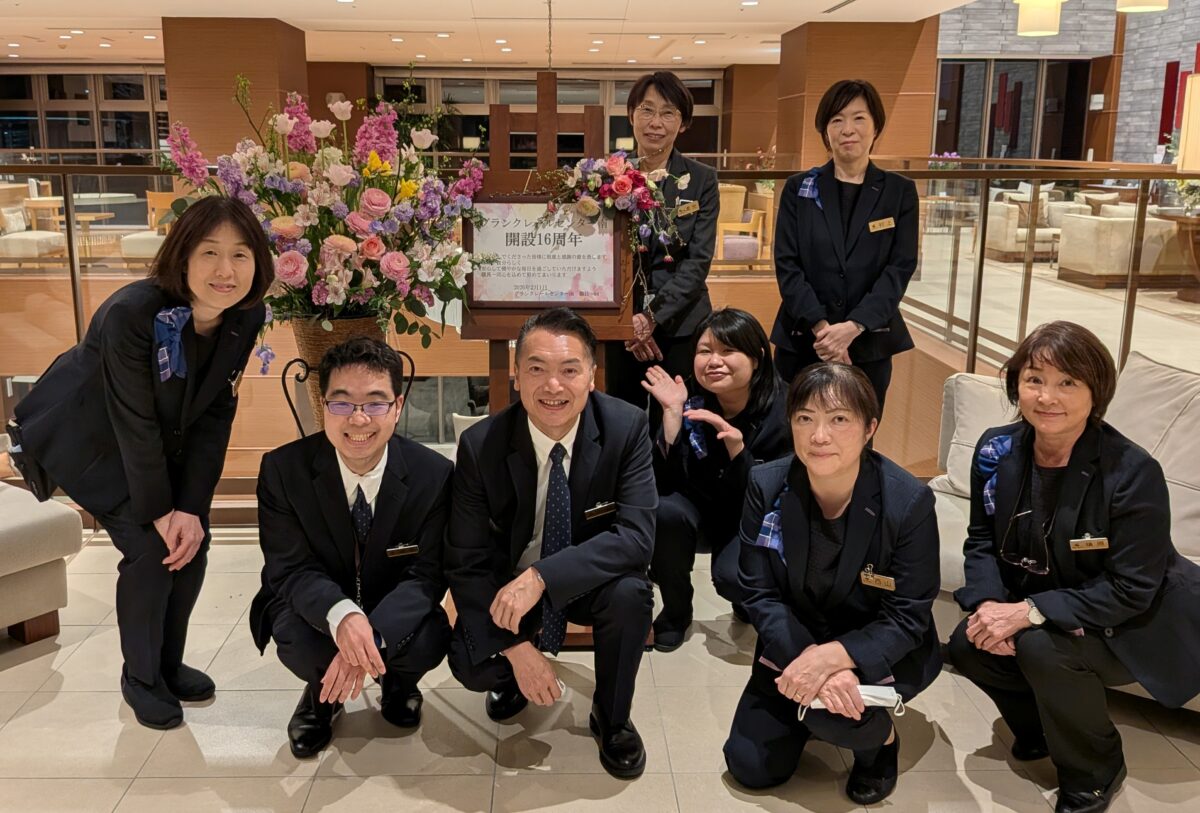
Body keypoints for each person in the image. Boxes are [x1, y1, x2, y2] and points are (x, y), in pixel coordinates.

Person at [7, 196, 271, 729]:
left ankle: (168, 666)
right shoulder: (132, 313)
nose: (226, 270)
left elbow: (217, 410)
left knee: (192, 545)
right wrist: (160, 511)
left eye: (241, 254)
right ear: (182, 256)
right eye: (210, 252)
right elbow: (133, 420)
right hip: (94, 440)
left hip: (160, 441)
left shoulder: (246, 315)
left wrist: (191, 507)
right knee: (152, 549)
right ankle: (141, 677)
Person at [948, 321, 1200, 813]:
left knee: (1040, 646)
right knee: (968, 642)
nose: (1047, 397)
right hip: (1053, 601)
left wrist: (1028, 612)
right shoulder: (997, 451)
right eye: (1034, 379)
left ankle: (1095, 769)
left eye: (1068, 382)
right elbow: (982, 540)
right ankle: (1041, 731)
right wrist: (989, 606)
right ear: (1016, 384)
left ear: (1095, 392)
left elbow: (1132, 588)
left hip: (1133, 622)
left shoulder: (1131, 472)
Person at [445, 307, 657, 779]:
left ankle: (613, 717)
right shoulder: (481, 444)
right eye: (537, 369)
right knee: (469, 662)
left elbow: (636, 538)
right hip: (511, 586)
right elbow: (466, 561)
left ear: (591, 376)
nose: (553, 386)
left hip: (587, 580)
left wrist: (543, 577)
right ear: (517, 375)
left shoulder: (626, 428)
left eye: (569, 370)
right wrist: (516, 647)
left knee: (632, 594)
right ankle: (516, 677)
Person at [723, 362, 941, 804]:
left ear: (869, 428)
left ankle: (880, 743)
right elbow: (758, 592)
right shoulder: (767, 484)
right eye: (805, 418)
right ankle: (812, 710)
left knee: (834, 717)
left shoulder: (907, 502)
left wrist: (836, 660)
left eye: (839, 419)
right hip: (794, 643)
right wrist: (811, 662)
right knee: (750, 766)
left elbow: (907, 614)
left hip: (877, 649)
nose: (819, 436)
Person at [248, 338, 453, 759]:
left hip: (391, 606)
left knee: (429, 637)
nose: (358, 419)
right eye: (342, 403)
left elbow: (428, 575)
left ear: (397, 406)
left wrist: (370, 637)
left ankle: (397, 682)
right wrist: (343, 617)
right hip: (317, 606)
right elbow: (290, 568)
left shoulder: (434, 474)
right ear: (324, 405)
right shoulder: (283, 470)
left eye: (375, 403)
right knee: (298, 640)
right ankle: (321, 696)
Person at [641, 307, 790, 651]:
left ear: (756, 358)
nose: (714, 361)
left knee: (734, 579)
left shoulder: (785, 409)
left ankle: (748, 598)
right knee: (665, 512)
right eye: (705, 351)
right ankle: (677, 611)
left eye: (728, 350)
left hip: (754, 515)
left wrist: (739, 452)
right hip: (700, 507)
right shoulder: (686, 398)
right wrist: (671, 416)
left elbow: (779, 493)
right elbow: (662, 482)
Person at [770, 78, 919, 414]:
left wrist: (852, 328)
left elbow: (899, 268)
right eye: (837, 120)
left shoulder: (899, 192)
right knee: (794, 429)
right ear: (825, 131)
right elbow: (787, 264)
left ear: (876, 126)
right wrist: (824, 330)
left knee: (858, 431)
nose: (847, 129)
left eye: (859, 118)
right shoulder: (798, 188)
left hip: (868, 343)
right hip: (805, 339)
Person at [605, 71, 719, 428]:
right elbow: (603, 259)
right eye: (647, 110)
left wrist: (650, 318)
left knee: (680, 425)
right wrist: (631, 321)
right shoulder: (607, 178)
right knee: (620, 424)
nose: (656, 122)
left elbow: (697, 262)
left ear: (682, 123)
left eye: (668, 113)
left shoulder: (702, 180)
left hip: (682, 325)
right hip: (622, 329)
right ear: (631, 115)